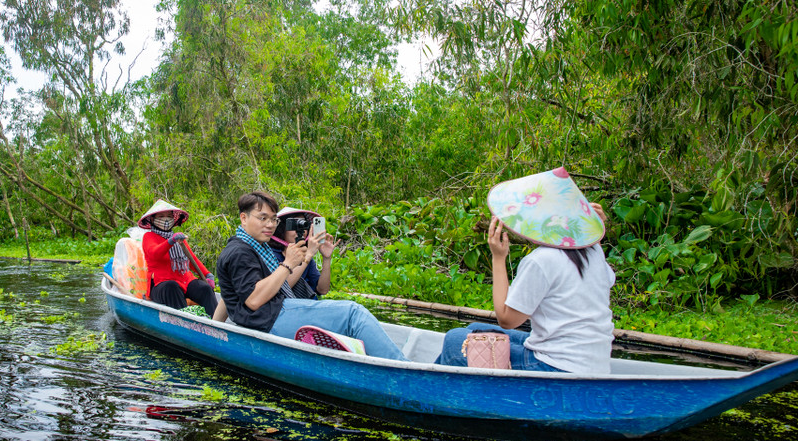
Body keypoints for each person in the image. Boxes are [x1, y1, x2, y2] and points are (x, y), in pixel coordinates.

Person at [436, 167, 616, 374]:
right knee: (472, 330)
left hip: (556, 366)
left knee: (454, 340)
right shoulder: (593, 252)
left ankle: (433, 390)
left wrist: (498, 257)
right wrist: (593, 230)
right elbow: (603, 280)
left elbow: (507, 319)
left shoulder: (541, 260)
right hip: (596, 365)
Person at [215, 191, 408, 361]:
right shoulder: (241, 251)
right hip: (270, 318)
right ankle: (403, 369)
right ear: (243, 218)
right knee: (352, 314)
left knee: (349, 315)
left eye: (273, 219)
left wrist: (214, 326)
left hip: (273, 314)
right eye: (262, 218)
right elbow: (253, 300)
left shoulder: (252, 246)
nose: (270, 225)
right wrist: (288, 264)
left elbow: (230, 292)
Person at [138, 199, 218, 317]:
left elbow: (192, 259)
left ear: (173, 219)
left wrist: (207, 274)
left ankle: (216, 322)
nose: (165, 219)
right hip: (161, 284)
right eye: (161, 216)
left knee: (205, 288)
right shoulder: (149, 236)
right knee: (172, 287)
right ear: (152, 219)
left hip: (185, 281)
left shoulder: (178, 238)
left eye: (169, 216)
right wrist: (170, 242)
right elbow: (154, 253)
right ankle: (184, 324)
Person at [268, 207, 336, 299]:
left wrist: (326, 258)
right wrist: (307, 256)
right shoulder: (271, 254)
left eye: (303, 224)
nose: (300, 230)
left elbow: (322, 290)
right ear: (281, 228)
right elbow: (282, 289)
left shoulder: (306, 254)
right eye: (293, 225)